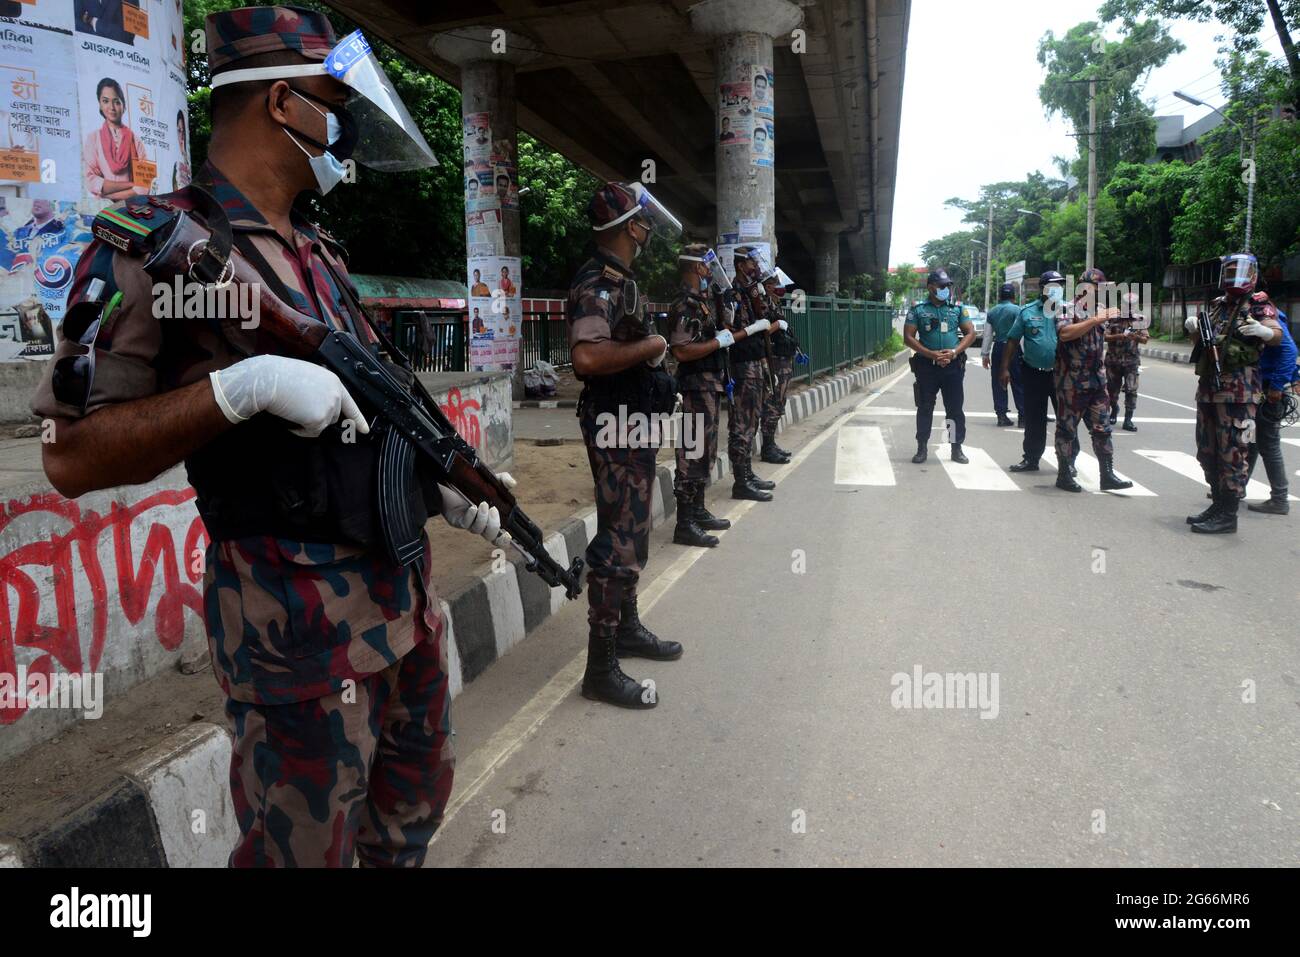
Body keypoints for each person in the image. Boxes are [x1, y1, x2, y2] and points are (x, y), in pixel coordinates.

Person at [32, 7, 472, 868]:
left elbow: (371, 407)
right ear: (282, 103)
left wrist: (439, 480)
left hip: (404, 609)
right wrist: (239, 391)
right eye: (332, 105)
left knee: (407, 824)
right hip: (296, 642)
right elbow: (70, 455)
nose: (343, 128)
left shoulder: (320, 254)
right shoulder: (151, 245)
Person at [566, 181, 685, 709]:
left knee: (633, 531)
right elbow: (587, 358)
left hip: (630, 423)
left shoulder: (622, 280)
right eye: (643, 220)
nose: (648, 229)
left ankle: (629, 629)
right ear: (629, 227)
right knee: (617, 541)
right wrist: (653, 345)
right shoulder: (599, 281)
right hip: (614, 426)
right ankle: (600, 666)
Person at [1182, 253, 1284, 533]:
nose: (1233, 275)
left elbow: (1277, 335)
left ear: (1252, 274)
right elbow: (1203, 343)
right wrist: (1193, 330)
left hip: (1239, 395)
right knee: (1207, 451)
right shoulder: (1216, 305)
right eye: (1230, 270)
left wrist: (1263, 331)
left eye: (1239, 270)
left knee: (1234, 453)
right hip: (1210, 390)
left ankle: (1228, 514)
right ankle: (1217, 504)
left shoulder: (1258, 304)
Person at [667, 244, 735, 547]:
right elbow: (681, 350)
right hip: (696, 386)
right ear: (697, 268)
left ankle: (697, 510)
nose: (711, 270)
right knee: (692, 451)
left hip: (710, 384)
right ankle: (684, 523)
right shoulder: (684, 304)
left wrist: (724, 299)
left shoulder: (702, 301)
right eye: (708, 265)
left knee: (705, 450)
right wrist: (716, 344)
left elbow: (724, 326)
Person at [1050, 267, 1132, 492]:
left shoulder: (1100, 310)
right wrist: (1096, 319)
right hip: (1071, 382)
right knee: (1066, 430)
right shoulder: (1066, 308)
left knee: (1103, 428)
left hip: (1097, 381)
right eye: (1099, 287)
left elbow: (1101, 335)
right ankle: (1064, 475)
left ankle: (1107, 475)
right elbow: (1065, 334)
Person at [1001, 271, 1072, 474]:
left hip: (1063, 375)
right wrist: (1004, 368)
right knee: (1034, 420)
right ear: (1043, 288)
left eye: (1060, 284)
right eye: (1053, 285)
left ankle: (1068, 462)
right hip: (1034, 374)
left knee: (1066, 421)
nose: (1057, 288)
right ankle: (1031, 459)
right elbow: (1013, 340)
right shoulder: (1027, 312)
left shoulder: (1070, 311)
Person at [904, 268, 974, 464]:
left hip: (953, 367)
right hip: (927, 366)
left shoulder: (957, 309)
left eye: (948, 286)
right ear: (930, 287)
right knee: (925, 407)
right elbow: (908, 337)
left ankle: (956, 448)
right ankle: (922, 447)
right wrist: (930, 354)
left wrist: (954, 352)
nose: (946, 289)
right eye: (942, 286)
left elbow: (970, 333)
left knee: (954, 409)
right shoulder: (918, 310)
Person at [727, 246, 777, 499]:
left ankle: (747, 474)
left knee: (753, 420)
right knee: (741, 423)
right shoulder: (732, 293)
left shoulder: (751, 291)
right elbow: (729, 331)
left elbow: (767, 318)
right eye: (751, 262)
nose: (755, 266)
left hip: (758, 363)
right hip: (743, 365)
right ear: (740, 265)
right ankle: (741, 481)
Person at [1245, 291, 1297, 516]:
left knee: (1268, 444)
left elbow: (1289, 351)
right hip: (1258, 387)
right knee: (1251, 440)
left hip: (1269, 390)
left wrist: (1277, 386)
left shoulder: (1263, 312)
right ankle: (1238, 487)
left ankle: (1280, 499)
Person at [83, 77, 148, 200]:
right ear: (100, 105)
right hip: (102, 209)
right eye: (106, 101)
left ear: (123, 106)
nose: (112, 107)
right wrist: (131, 185)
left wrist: (109, 195)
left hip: (131, 208)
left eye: (117, 102)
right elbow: (91, 181)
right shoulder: (93, 138)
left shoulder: (135, 140)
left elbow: (144, 186)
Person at [759, 266, 797, 463]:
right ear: (767, 285)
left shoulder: (772, 302)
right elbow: (759, 330)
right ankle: (767, 447)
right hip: (772, 359)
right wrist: (776, 326)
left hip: (783, 359)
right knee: (772, 404)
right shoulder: (760, 303)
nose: (777, 289)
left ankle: (771, 444)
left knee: (779, 402)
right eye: (774, 284)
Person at [980, 282, 1024, 427]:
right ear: (1013, 296)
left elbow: (987, 335)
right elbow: (1022, 334)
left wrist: (985, 354)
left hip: (998, 348)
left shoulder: (992, 312)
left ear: (1000, 296)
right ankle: (1023, 416)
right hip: (1015, 348)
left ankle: (1001, 415)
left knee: (999, 382)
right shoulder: (1018, 310)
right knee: (1019, 382)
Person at [1104, 291, 1148, 432]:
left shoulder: (1140, 319)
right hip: (1113, 361)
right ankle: (1114, 409)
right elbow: (1104, 336)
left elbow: (1145, 339)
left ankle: (1128, 419)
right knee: (1112, 391)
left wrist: (1135, 337)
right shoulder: (1113, 318)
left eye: (1132, 305)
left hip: (1131, 361)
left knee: (1131, 390)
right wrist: (1120, 336)